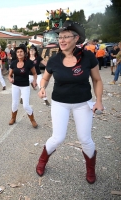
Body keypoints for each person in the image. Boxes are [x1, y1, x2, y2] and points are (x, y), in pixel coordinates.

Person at [36, 20, 104, 184]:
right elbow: (45, 77)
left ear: (76, 38)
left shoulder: (88, 57)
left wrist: (99, 101)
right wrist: (42, 87)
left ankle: (90, 169)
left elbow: (97, 80)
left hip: (83, 103)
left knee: (85, 139)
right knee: (58, 138)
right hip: (60, 103)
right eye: (60, 37)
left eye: (66, 36)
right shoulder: (54, 60)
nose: (62, 40)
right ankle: (42, 160)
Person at [8, 44, 38, 128]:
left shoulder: (29, 63)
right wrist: (10, 78)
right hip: (15, 86)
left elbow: (35, 73)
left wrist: (35, 81)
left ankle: (32, 120)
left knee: (25, 105)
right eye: (18, 52)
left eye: (21, 51)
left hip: (25, 86)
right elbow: (9, 75)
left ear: (25, 53)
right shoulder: (13, 63)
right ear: (16, 53)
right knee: (14, 103)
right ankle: (13, 118)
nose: (19, 53)